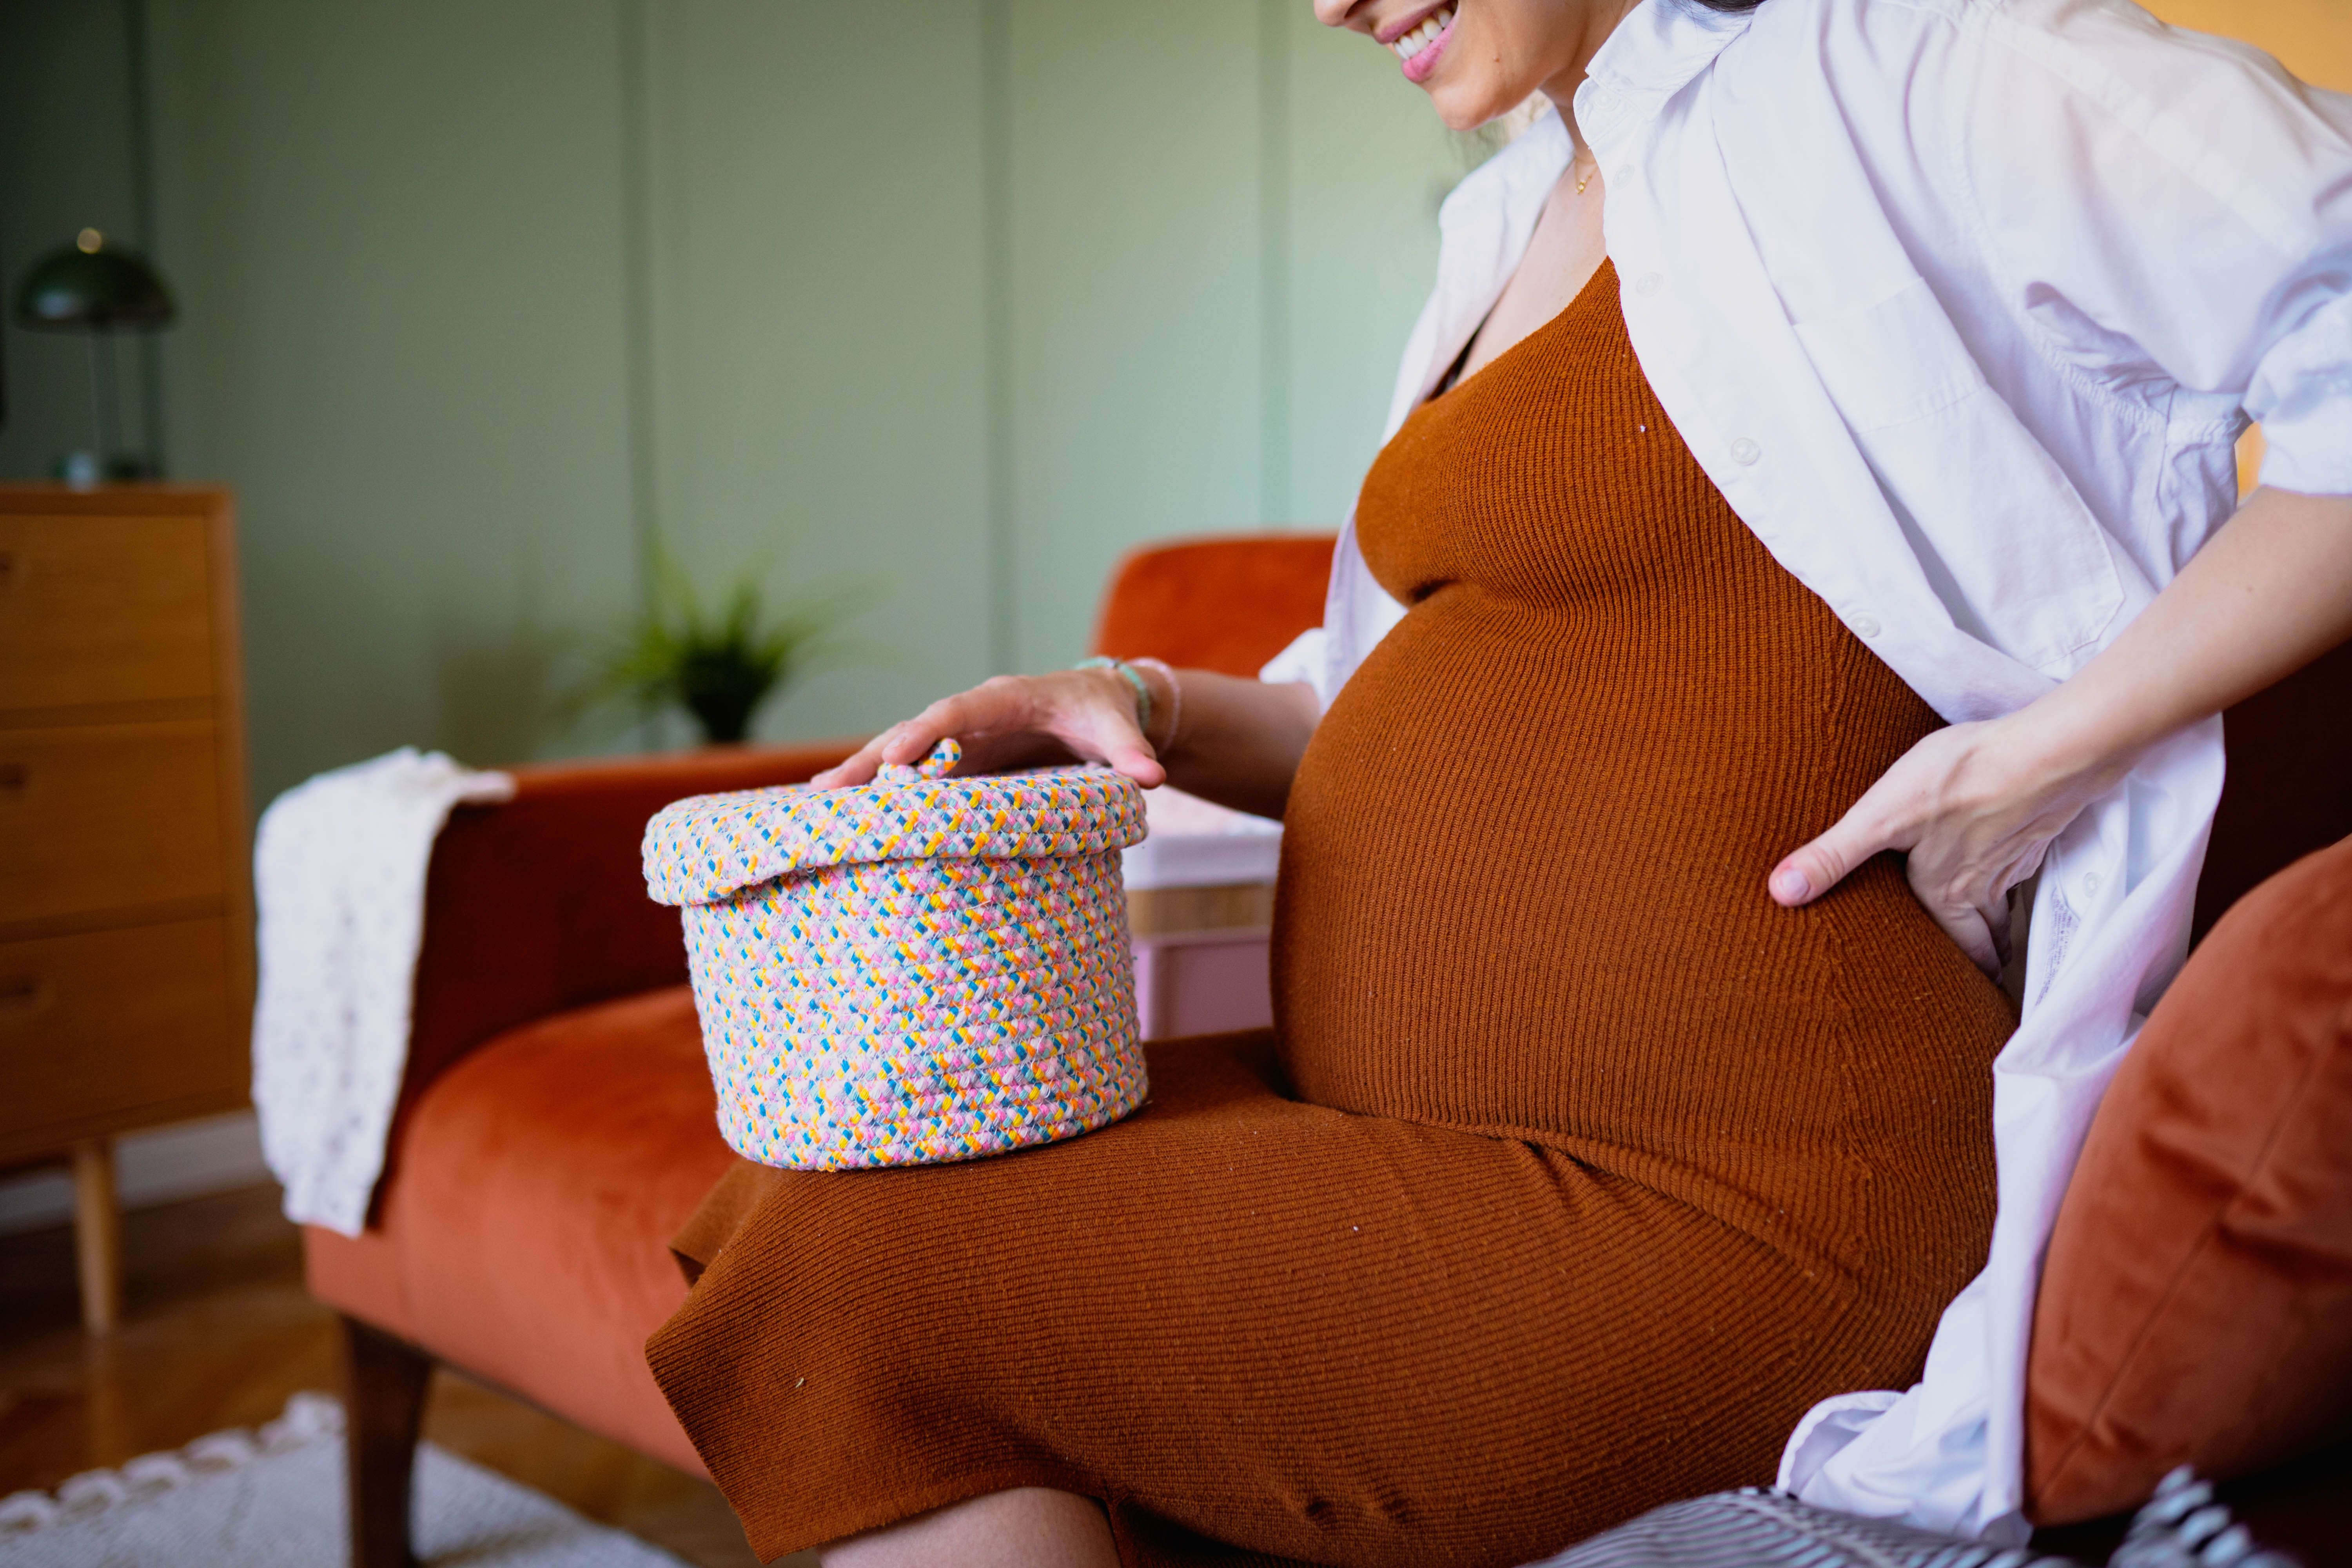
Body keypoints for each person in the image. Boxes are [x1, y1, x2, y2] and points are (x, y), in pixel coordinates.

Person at [646, 1, 2352, 1564]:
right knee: (821, 1182)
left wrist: (2053, 744)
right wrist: (1137, 693)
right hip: (1459, 1137)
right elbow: (1399, 724)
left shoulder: (1911, 71)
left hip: (1753, 1200)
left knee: (861, 1285)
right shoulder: (1503, 222)